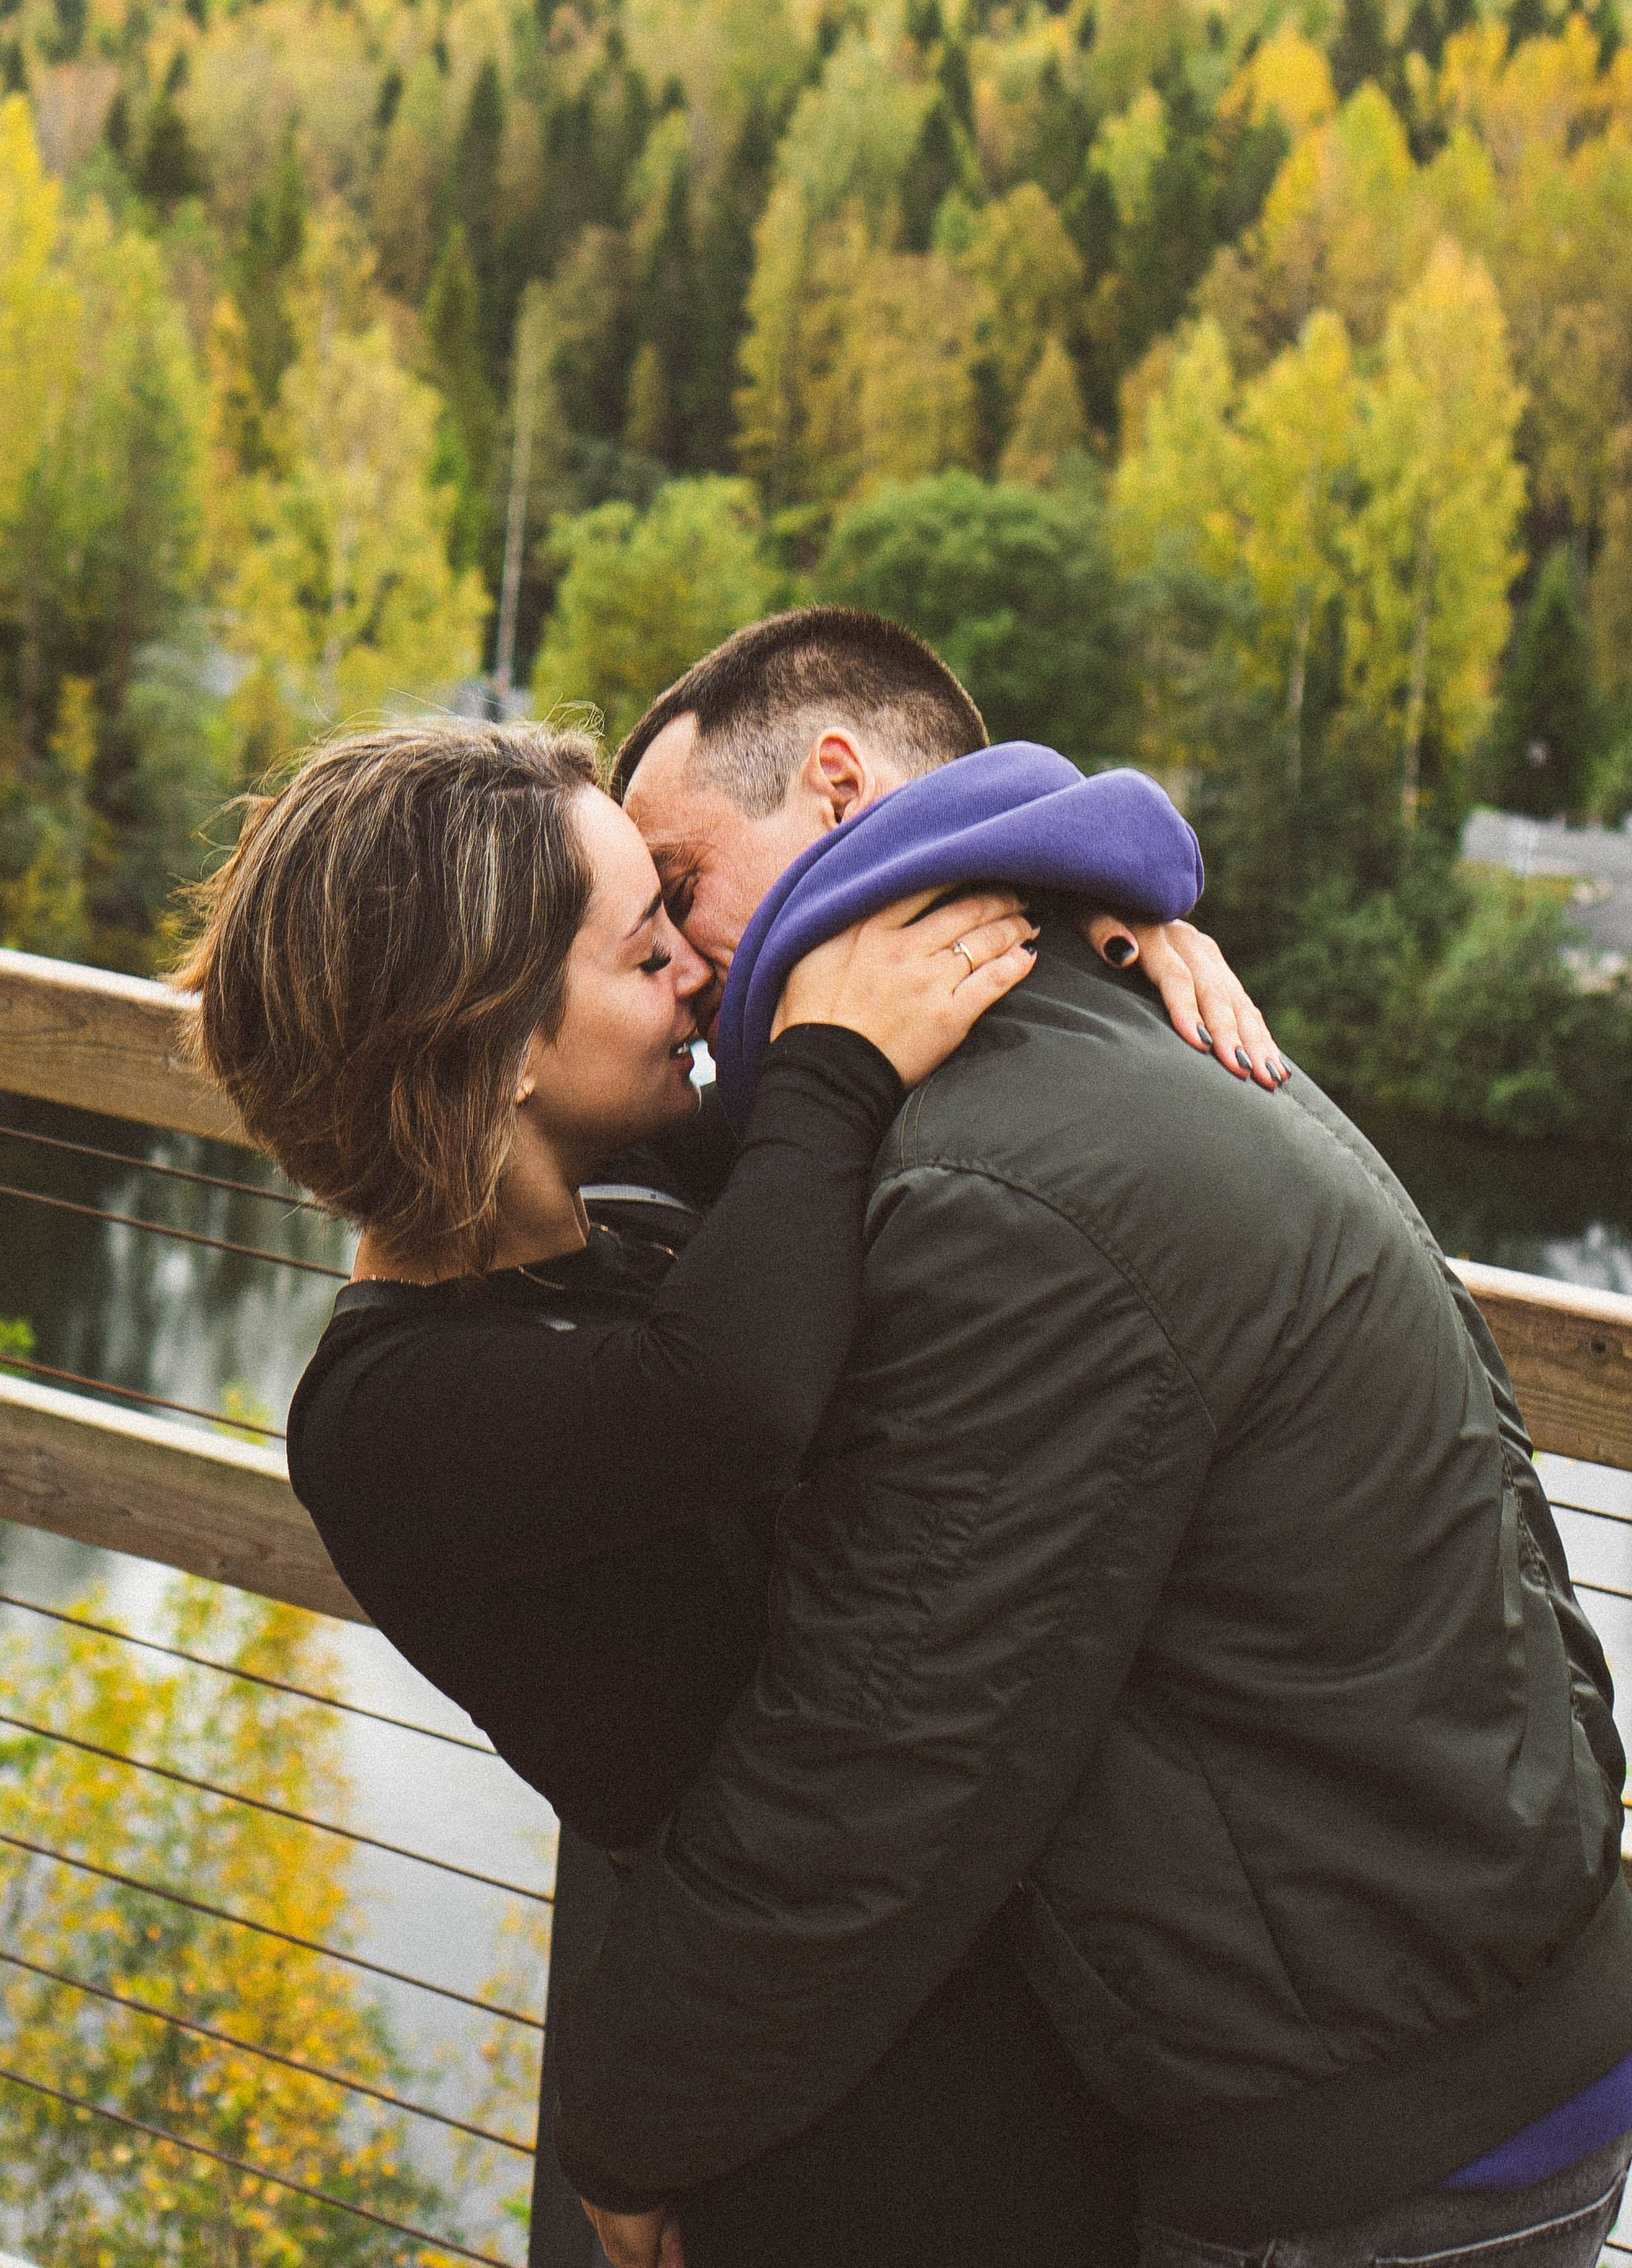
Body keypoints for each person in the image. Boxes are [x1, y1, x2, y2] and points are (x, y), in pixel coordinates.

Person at [551, 607, 1632, 2268]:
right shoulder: (1107, 1022)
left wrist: (634, 2122)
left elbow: (877, 1745)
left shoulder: (1002, 1180)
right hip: (1456, 2037)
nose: (677, 964)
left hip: (1372, 2148)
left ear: (835, 788)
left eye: (679, 885)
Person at [182, 707, 1276, 2267]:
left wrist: (1110, 938)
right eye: (646, 958)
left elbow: (1020, 859)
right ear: (495, 1056)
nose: (703, 970)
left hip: (935, 2010)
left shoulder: (620, 1215)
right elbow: (728, 1393)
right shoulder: (385, 1419)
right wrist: (829, 1062)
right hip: (829, 2131)